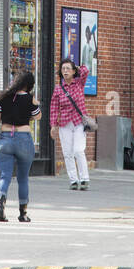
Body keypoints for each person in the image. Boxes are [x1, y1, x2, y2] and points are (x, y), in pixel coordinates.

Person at [0, 70, 41, 222]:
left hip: (5, 139)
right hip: (24, 139)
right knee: (23, 178)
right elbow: (38, 116)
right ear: (29, 85)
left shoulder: (2, 96)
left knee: (4, 176)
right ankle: (23, 213)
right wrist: (35, 104)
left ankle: (1, 203)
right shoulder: (30, 99)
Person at [49, 58, 92, 190]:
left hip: (79, 122)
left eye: (68, 69)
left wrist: (77, 67)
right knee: (67, 153)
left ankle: (84, 179)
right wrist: (53, 125)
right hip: (64, 123)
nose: (65, 71)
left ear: (73, 71)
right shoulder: (58, 89)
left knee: (78, 150)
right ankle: (73, 180)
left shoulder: (79, 83)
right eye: (63, 69)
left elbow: (86, 70)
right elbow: (54, 107)